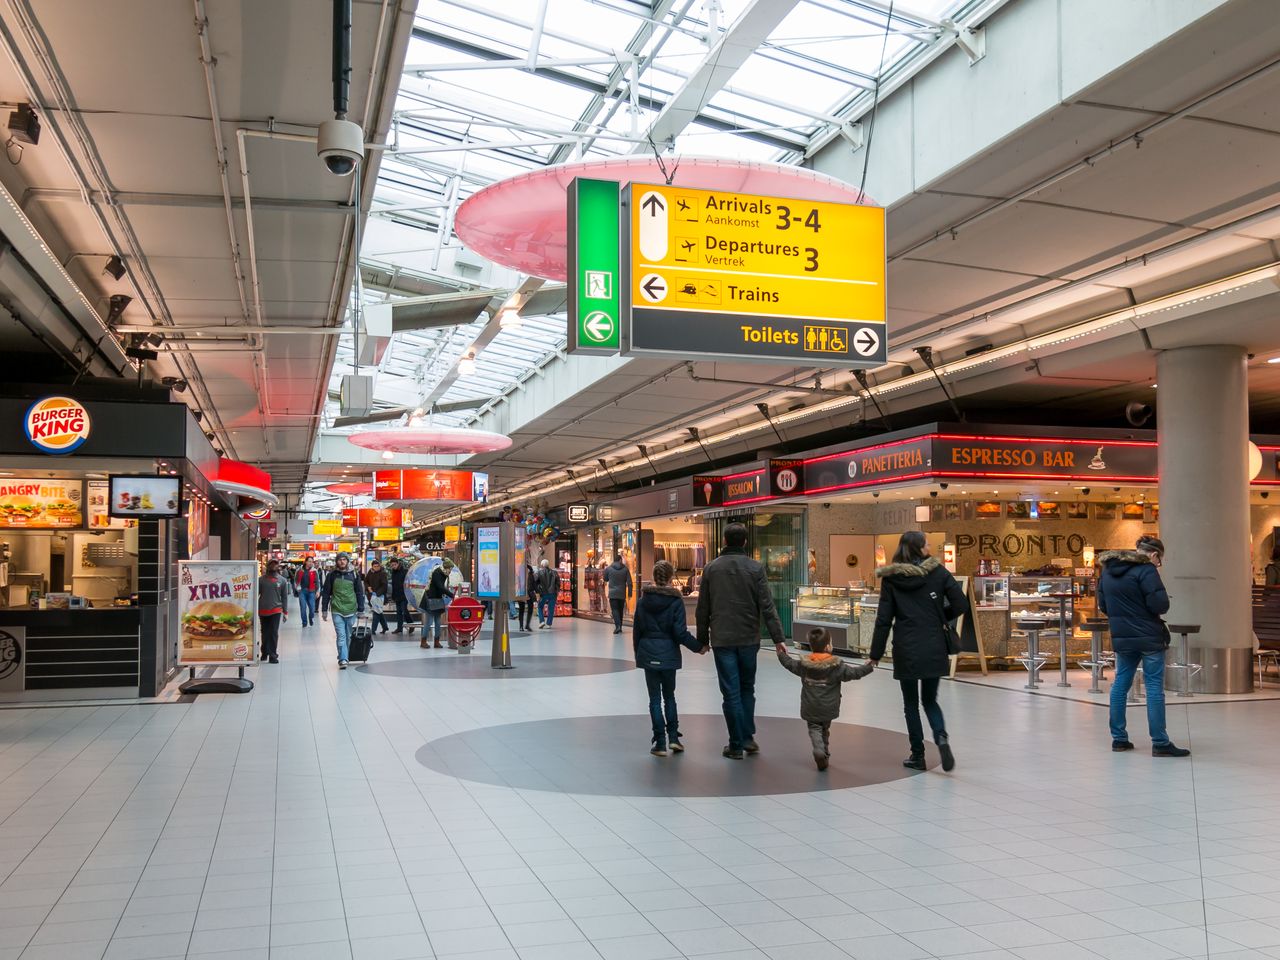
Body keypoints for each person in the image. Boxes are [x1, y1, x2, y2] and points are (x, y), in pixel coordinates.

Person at [869, 531, 967, 772]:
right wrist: (939, 616)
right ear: (918, 548)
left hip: (906, 646)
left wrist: (875, 654)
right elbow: (961, 604)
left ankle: (918, 755)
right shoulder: (939, 572)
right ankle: (941, 737)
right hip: (934, 644)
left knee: (910, 703)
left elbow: (883, 620)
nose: (930, 546)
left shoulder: (891, 578)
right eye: (926, 544)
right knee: (930, 700)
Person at [696, 523, 785, 759]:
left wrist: (702, 639)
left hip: (723, 639)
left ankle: (735, 744)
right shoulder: (755, 568)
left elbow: (703, 607)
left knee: (730, 693)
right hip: (748, 638)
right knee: (747, 688)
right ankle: (747, 738)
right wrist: (778, 638)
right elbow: (767, 605)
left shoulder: (711, 569)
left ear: (724, 540)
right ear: (745, 542)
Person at [1099, 535, 1189, 757]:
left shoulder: (1108, 571)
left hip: (1122, 637)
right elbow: (1160, 604)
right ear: (1154, 555)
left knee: (1120, 684)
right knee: (1154, 688)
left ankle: (1119, 739)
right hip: (1149, 637)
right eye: (1159, 560)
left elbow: (1103, 605)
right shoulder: (1146, 570)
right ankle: (1160, 742)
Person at [633, 560, 705, 756]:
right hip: (668, 654)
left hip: (648, 653)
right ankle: (673, 737)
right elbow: (680, 632)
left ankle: (659, 742)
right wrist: (698, 647)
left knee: (654, 699)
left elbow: (637, 631)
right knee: (670, 697)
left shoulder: (642, 601)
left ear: (654, 576)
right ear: (671, 576)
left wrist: (638, 654)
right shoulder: (675, 601)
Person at [776, 628, 873, 770]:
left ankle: (819, 749)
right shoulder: (836, 666)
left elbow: (789, 664)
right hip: (829, 707)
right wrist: (869, 666)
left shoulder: (804, 665)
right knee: (825, 729)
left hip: (810, 706)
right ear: (828, 646)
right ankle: (824, 753)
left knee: (814, 728)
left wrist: (781, 654)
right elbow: (854, 673)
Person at [320, 552, 366, 669]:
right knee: (341, 635)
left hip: (351, 609)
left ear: (348, 561)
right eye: (340, 559)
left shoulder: (354, 575)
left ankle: (343, 654)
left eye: (344, 559)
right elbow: (326, 593)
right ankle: (343, 659)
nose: (342, 561)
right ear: (336, 562)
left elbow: (359, 593)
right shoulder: (332, 575)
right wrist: (324, 610)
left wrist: (361, 609)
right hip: (337, 609)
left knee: (348, 635)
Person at [257, 559, 289, 664]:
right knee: (264, 632)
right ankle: (264, 652)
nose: (273, 566)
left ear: (278, 566)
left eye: (276, 564)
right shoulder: (261, 580)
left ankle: (273, 655)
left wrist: (285, 612)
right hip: (263, 609)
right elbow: (256, 594)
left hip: (276, 610)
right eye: (271, 564)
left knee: (273, 632)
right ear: (267, 566)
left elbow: (284, 597)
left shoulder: (282, 581)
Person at [424, 559, 455, 648]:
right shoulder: (437, 573)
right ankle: (423, 641)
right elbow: (440, 586)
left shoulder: (444, 573)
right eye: (450, 568)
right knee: (429, 622)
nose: (450, 571)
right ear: (446, 567)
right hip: (431, 598)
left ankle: (436, 641)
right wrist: (451, 595)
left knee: (438, 622)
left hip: (438, 598)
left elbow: (442, 587)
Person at [605, 555, 633, 634]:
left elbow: (605, 578)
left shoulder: (609, 569)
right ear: (620, 560)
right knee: (620, 610)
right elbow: (629, 582)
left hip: (613, 593)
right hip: (622, 593)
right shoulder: (625, 569)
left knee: (615, 610)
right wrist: (630, 594)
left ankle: (618, 626)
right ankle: (619, 626)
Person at [364, 559, 390, 634]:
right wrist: (368, 587)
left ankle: (373, 630)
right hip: (371, 596)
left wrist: (377, 593)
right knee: (379, 612)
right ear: (372, 567)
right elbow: (366, 581)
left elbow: (384, 585)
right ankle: (385, 627)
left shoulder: (382, 573)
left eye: (377, 566)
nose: (376, 568)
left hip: (379, 596)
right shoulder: (370, 572)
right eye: (374, 566)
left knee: (376, 613)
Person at [296, 558, 320, 627]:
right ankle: (304, 622)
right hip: (302, 591)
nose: (311, 563)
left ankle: (311, 618)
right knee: (303, 607)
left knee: (312, 608)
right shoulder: (299, 570)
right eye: (309, 561)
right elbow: (296, 580)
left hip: (311, 591)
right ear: (305, 562)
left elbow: (317, 581)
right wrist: (297, 588)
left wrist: (317, 591)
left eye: (312, 562)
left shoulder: (314, 571)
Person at [536, 559, 558, 629]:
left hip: (543, 593)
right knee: (551, 609)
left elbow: (536, 583)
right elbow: (558, 583)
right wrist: (556, 591)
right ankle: (549, 624)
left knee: (540, 606)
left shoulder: (539, 573)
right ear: (548, 565)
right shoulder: (554, 572)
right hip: (553, 593)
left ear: (542, 565)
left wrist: (538, 592)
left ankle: (542, 621)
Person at [389, 558, 409, 634]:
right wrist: (393, 595)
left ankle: (411, 623)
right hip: (397, 595)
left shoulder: (404, 571)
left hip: (404, 594)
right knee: (399, 612)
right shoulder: (393, 572)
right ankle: (399, 628)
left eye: (394, 565)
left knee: (404, 610)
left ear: (398, 563)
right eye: (392, 565)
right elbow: (394, 584)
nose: (393, 566)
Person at [517, 560, 536, 631]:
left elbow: (533, 583)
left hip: (528, 593)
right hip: (522, 592)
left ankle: (526, 625)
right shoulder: (519, 572)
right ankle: (522, 626)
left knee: (528, 609)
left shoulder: (530, 571)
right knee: (522, 609)